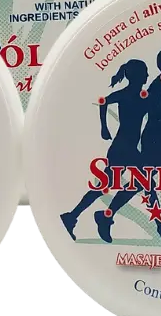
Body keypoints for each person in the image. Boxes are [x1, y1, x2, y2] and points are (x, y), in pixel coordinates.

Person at [93, 49, 161, 243]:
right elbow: (156, 113)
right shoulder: (160, 84)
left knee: (143, 182)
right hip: (157, 142)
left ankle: (108, 216)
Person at [60, 60, 148, 243]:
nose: (148, 75)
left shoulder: (141, 96)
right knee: (134, 182)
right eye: (145, 72)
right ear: (138, 76)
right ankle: (99, 216)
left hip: (128, 148)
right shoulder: (127, 94)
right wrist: (104, 127)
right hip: (122, 148)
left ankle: (79, 216)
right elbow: (104, 101)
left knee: (115, 184)